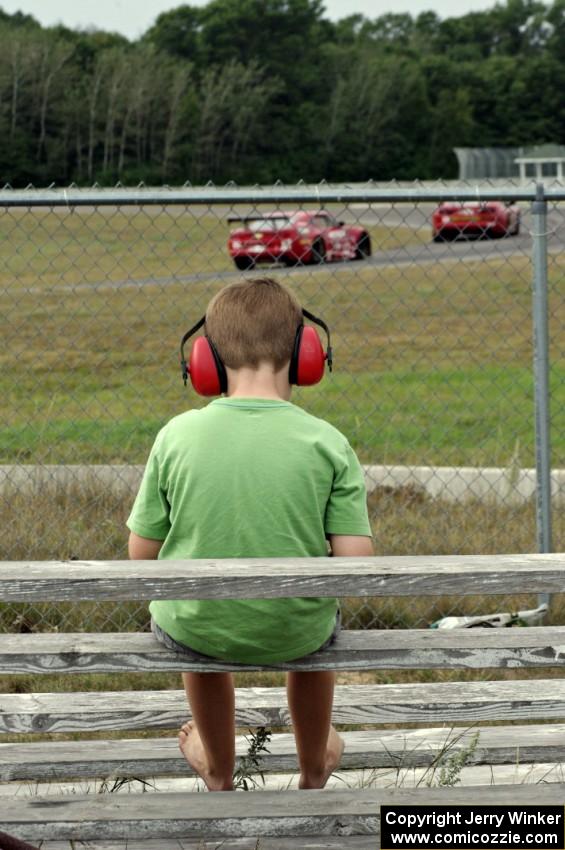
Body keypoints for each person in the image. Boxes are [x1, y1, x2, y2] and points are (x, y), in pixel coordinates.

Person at [127, 277, 374, 792]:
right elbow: (355, 560)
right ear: (308, 354)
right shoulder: (328, 442)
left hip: (197, 628)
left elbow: (141, 554)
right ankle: (313, 768)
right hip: (296, 631)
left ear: (205, 361)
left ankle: (218, 769)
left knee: (196, 626)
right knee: (314, 629)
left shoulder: (175, 437)